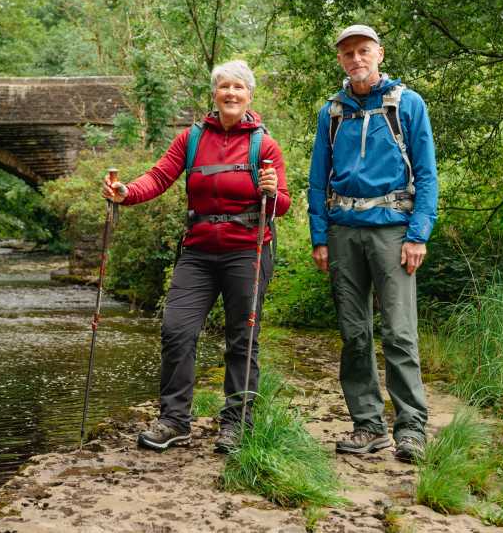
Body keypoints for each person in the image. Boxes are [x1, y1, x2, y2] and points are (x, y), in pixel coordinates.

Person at [102, 60, 291, 453]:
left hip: (248, 251)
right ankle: (174, 421)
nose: (231, 94)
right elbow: (158, 177)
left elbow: (283, 204)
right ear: (215, 94)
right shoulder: (191, 139)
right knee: (176, 329)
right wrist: (126, 192)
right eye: (225, 87)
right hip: (199, 251)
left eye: (239, 87)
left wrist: (271, 192)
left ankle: (236, 424)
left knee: (243, 338)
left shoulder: (264, 144)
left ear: (249, 96)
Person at [307, 24, 438, 463]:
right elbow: (316, 178)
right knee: (354, 333)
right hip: (343, 232)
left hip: (394, 231)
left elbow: (427, 174)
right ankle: (368, 425)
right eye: (348, 54)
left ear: (379, 54)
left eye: (364, 51)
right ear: (341, 60)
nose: (356, 59)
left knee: (399, 332)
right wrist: (319, 236)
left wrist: (419, 233)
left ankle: (411, 429)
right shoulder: (331, 112)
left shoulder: (408, 104)